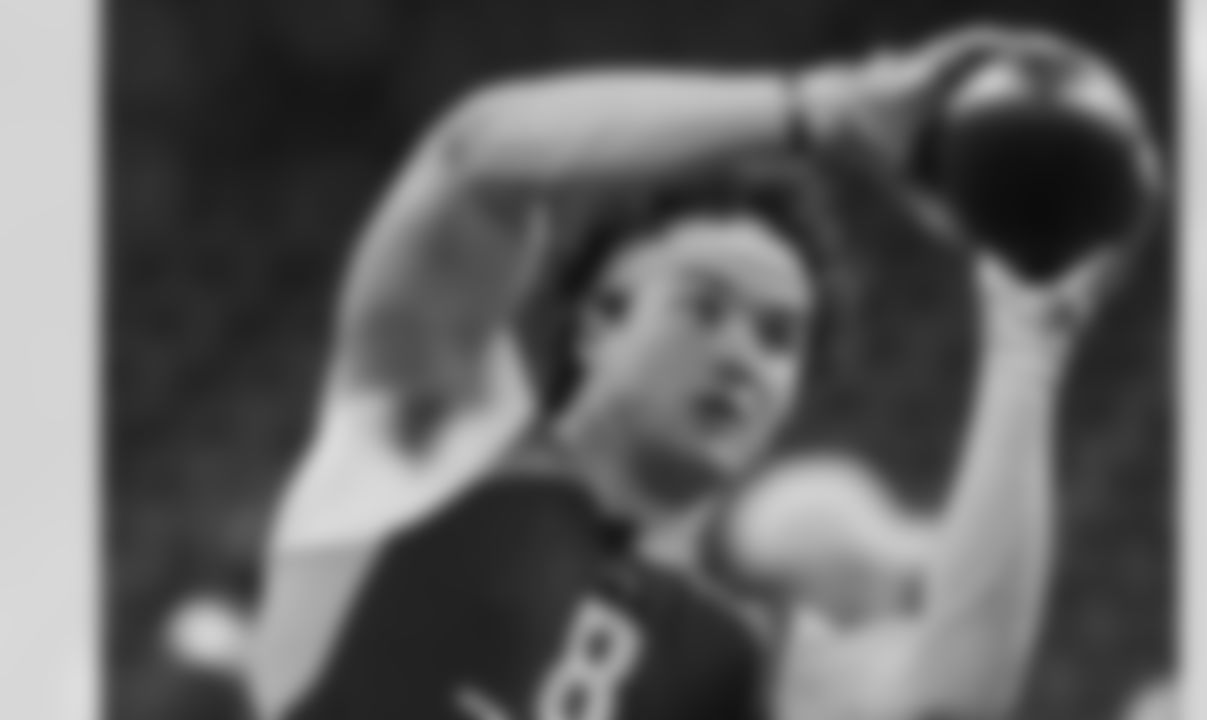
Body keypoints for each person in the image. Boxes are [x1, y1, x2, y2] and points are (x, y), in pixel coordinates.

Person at [245, 26, 1141, 720]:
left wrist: (1027, 352)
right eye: (703, 307)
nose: (742, 355)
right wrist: (826, 107)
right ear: (599, 320)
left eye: (778, 337)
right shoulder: (434, 456)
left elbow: (949, 704)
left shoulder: (744, 660)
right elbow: (471, 164)